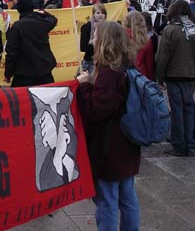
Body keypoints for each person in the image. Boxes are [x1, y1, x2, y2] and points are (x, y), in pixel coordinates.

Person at [77, 21, 141, 231]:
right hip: (127, 144)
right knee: (127, 198)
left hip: (110, 147)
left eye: (95, 35)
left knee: (108, 200)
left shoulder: (108, 73)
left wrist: (86, 86)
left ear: (104, 41)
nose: (92, 39)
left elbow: (97, 111)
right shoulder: (127, 65)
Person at [155, 0, 195, 156]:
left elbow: (163, 57)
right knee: (188, 109)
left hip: (174, 75)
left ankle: (179, 143)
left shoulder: (169, 30)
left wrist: (159, 77)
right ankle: (189, 141)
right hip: (190, 74)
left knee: (177, 109)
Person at [4, 0, 58, 86]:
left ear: (19, 10)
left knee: (22, 99)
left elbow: (11, 52)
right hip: (43, 70)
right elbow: (53, 19)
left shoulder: (17, 26)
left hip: (24, 73)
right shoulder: (42, 22)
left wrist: (8, 74)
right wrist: (43, 13)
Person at [125, 11, 155, 80]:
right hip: (141, 77)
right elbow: (149, 65)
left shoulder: (121, 37)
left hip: (124, 76)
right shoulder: (146, 41)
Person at [79, 4, 107, 74]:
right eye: (98, 13)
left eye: (103, 13)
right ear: (93, 15)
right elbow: (83, 47)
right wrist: (94, 43)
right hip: (90, 61)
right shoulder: (87, 27)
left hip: (105, 61)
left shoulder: (108, 27)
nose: (101, 15)